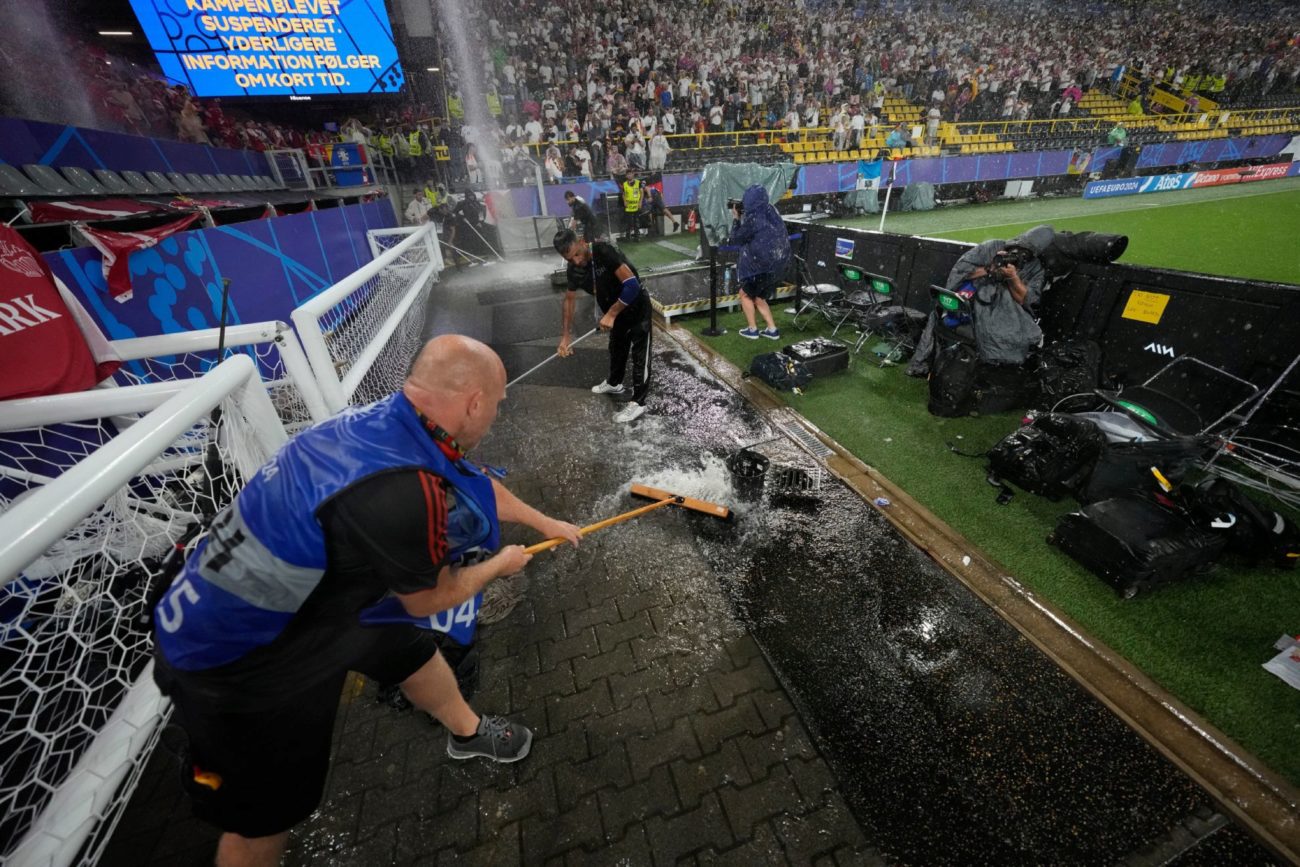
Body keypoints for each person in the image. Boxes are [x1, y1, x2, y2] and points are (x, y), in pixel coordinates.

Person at [151, 335, 582, 867]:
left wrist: (547, 523)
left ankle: (466, 733)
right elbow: (430, 598)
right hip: (239, 655)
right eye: (495, 405)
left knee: (410, 653)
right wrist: (501, 563)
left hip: (320, 596)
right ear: (473, 403)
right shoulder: (401, 489)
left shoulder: (393, 423)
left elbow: (474, 485)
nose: (494, 415)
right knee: (264, 817)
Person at [906, 227, 1050, 377]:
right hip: (972, 307)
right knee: (992, 333)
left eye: (1024, 253)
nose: (1017, 254)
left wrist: (1012, 278)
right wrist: (990, 269)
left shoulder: (1035, 268)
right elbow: (961, 273)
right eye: (1016, 249)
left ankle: (991, 370)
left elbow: (1024, 299)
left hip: (1004, 313)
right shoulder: (992, 247)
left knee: (1016, 334)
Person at [553, 229, 652, 424]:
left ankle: (638, 402)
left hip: (637, 307)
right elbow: (569, 301)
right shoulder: (574, 270)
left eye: (577, 255)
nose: (576, 261)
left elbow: (631, 285)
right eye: (569, 259)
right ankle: (615, 383)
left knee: (640, 355)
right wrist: (566, 336)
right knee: (616, 347)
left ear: (581, 242)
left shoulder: (604, 251)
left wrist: (612, 313)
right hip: (615, 314)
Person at [722, 185, 789, 340]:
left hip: (761, 266)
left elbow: (735, 239)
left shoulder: (753, 219)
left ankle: (752, 330)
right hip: (780, 264)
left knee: (744, 294)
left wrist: (736, 219)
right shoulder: (772, 211)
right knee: (759, 296)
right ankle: (772, 330)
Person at [620, 169, 645, 240]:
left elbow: (642, 193)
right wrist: (624, 201)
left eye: (630, 174)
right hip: (628, 206)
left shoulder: (638, 182)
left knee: (636, 221)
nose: (629, 175)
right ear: (626, 176)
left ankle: (637, 236)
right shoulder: (624, 184)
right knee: (628, 222)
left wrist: (640, 202)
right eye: (628, 174)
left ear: (633, 174)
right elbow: (623, 194)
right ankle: (628, 236)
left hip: (637, 205)